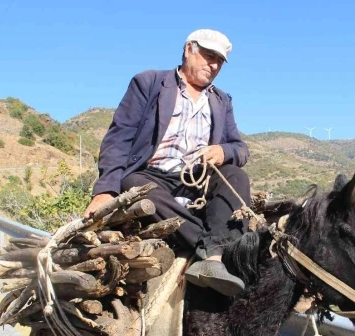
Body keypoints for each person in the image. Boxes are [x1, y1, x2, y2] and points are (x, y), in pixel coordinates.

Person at [83, 29, 250, 296]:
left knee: (236, 176)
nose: (214, 65)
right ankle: (215, 251)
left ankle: (214, 256)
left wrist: (222, 151)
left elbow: (241, 148)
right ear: (188, 49)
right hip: (150, 175)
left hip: (196, 182)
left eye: (219, 61)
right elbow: (119, 137)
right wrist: (105, 191)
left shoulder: (221, 100)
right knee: (139, 188)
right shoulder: (149, 83)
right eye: (208, 56)